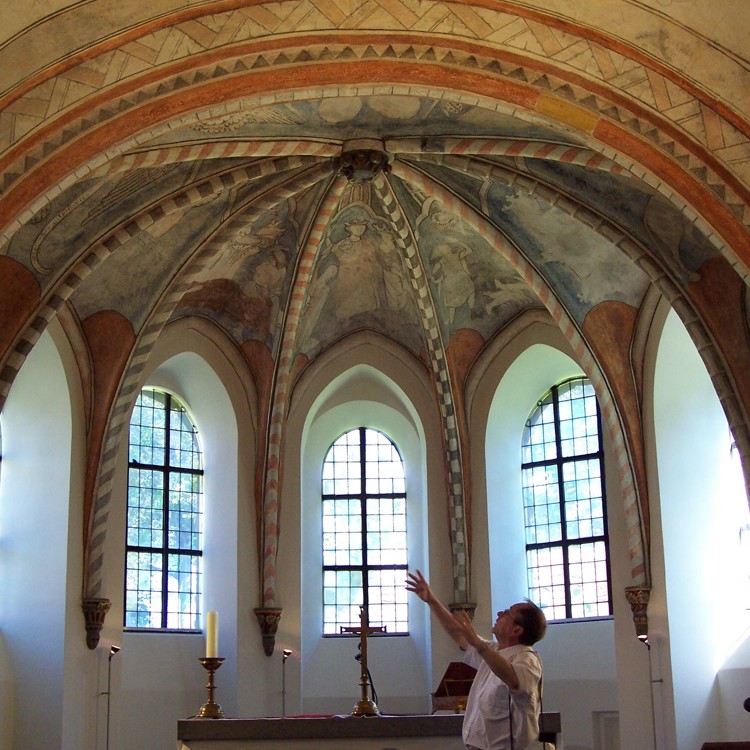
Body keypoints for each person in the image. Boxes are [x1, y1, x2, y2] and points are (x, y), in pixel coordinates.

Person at [406, 570, 546, 750]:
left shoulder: (528, 659)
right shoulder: (494, 651)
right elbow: (458, 633)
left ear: (517, 630)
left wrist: (478, 644)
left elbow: (513, 679)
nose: (499, 613)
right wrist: (431, 600)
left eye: (507, 613)